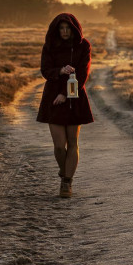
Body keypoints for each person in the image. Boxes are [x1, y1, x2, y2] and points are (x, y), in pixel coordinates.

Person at [36, 13, 94, 198]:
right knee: (60, 146)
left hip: (74, 96)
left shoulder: (84, 46)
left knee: (73, 142)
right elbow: (45, 70)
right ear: (56, 29)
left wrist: (65, 94)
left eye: (68, 28)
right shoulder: (50, 46)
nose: (65, 31)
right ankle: (65, 172)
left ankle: (66, 182)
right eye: (61, 28)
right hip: (53, 98)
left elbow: (83, 73)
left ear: (74, 29)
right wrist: (60, 70)